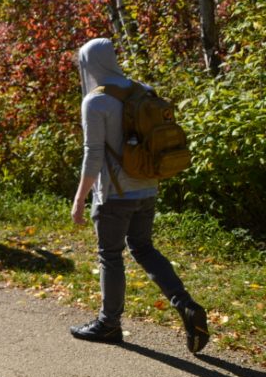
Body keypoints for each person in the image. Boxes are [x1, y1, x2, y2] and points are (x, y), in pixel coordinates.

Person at [69, 38, 209, 352]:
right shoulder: (141, 89)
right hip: (148, 187)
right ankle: (185, 305)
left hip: (116, 196)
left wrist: (80, 199)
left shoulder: (96, 101)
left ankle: (108, 324)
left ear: (91, 64)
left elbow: (93, 156)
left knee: (110, 255)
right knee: (144, 248)